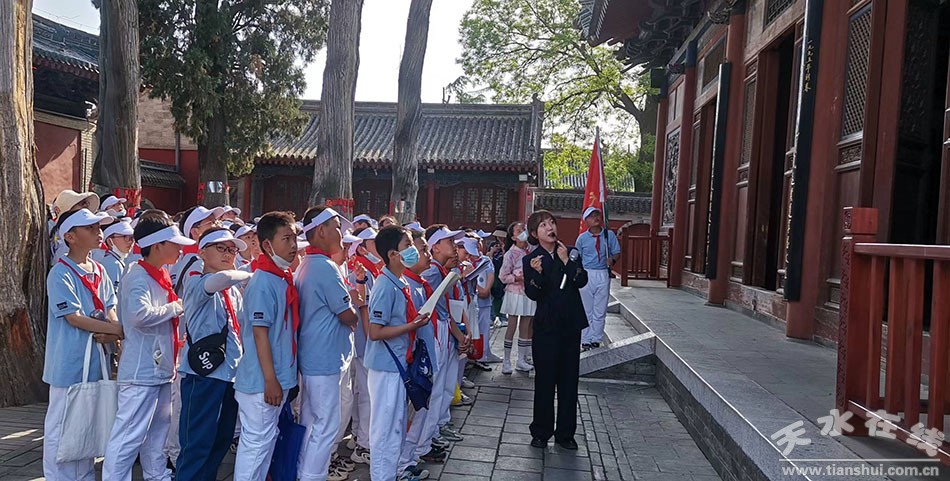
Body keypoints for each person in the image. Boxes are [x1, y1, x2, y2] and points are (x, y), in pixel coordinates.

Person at [102, 211, 195, 481]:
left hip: (159, 368)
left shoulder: (159, 273)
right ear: (157, 246)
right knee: (128, 434)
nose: (180, 250)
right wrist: (176, 307)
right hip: (141, 371)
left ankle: (157, 475)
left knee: (158, 431)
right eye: (174, 244)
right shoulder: (138, 276)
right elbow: (138, 315)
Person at [44, 208, 122, 481]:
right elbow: (74, 318)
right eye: (90, 228)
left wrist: (114, 331)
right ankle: (58, 476)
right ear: (70, 236)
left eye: (98, 227)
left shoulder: (99, 269)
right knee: (61, 424)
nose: (98, 232)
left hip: (97, 360)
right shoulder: (60, 273)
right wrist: (118, 330)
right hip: (68, 362)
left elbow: (110, 307)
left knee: (88, 421)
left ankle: (84, 475)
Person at [296, 206, 366, 481]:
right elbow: (347, 314)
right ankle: (312, 475)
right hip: (324, 357)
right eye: (337, 227)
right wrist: (354, 306)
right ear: (321, 231)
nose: (341, 233)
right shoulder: (325, 267)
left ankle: (305, 472)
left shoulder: (310, 263)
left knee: (313, 421)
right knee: (325, 424)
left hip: (317, 355)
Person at [176, 228, 251, 480]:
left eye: (232, 250)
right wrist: (252, 273)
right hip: (203, 374)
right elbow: (223, 278)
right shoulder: (198, 282)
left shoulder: (233, 291)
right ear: (202, 252)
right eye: (221, 248)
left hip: (230, 373)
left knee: (221, 440)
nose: (228, 254)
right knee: (196, 443)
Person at [233, 212, 300, 481]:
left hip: (276, 377)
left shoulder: (279, 277)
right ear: (267, 245)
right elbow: (260, 334)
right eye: (286, 239)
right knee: (256, 444)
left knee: (265, 442)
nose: (293, 245)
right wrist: (270, 380)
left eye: (294, 238)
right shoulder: (263, 281)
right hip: (262, 381)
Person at [364, 226, 431, 481]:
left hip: (399, 364)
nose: (413, 250)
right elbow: (375, 331)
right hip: (386, 367)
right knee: (385, 429)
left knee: (395, 427)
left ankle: (391, 474)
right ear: (393, 254)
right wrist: (411, 326)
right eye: (408, 245)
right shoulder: (385, 286)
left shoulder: (399, 281)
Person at [522, 210, 588, 451]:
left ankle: (566, 434)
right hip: (546, 327)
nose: (550, 228)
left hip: (570, 325)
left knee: (569, 381)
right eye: (543, 225)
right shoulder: (531, 260)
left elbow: (581, 280)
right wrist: (538, 274)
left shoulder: (570, 252)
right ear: (534, 233)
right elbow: (533, 293)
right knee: (545, 381)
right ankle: (541, 432)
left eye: (552, 223)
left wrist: (567, 262)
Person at [399, 231, 443, 474]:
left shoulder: (419, 284)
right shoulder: (405, 286)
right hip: (414, 362)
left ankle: (410, 458)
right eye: (422, 249)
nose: (427, 254)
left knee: (421, 411)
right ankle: (403, 462)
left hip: (425, 358)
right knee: (411, 414)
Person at [422, 225, 471, 445]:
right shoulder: (432, 273)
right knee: (437, 386)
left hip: (445, 328)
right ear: (435, 247)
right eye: (449, 241)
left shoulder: (441, 271)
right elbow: (433, 307)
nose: (454, 246)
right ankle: (428, 436)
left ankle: (437, 427)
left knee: (445, 385)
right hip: (436, 330)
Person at [576, 207, 620, 350]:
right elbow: (577, 258)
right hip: (587, 273)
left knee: (600, 309)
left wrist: (612, 260)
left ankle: (596, 338)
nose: (595, 218)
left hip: (602, 273)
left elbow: (616, 252)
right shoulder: (582, 238)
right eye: (591, 216)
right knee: (586, 309)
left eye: (597, 215)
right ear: (586, 220)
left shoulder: (608, 235)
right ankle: (585, 339)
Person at [498, 221, 536, 374]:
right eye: (518, 231)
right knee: (512, 325)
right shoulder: (511, 254)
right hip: (514, 292)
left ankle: (522, 359)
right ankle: (506, 361)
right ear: (513, 237)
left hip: (529, 292)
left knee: (526, 325)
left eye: (523, 229)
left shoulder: (531, 250)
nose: (522, 232)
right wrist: (517, 278)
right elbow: (502, 276)